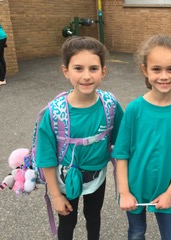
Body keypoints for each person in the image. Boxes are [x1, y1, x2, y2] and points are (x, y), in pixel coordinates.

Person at [112, 34, 171, 240]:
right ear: (145, 70)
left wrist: (170, 193)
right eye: (156, 69)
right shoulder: (134, 109)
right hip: (134, 190)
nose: (164, 76)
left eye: (170, 69)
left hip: (166, 192)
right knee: (136, 233)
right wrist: (124, 192)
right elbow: (121, 155)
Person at [36, 36, 124, 240]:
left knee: (93, 217)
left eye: (93, 68)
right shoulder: (54, 112)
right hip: (65, 178)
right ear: (66, 71)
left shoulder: (110, 105)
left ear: (103, 71)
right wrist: (56, 195)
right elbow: (46, 156)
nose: (86, 76)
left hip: (97, 176)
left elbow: (123, 142)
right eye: (78, 68)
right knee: (68, 221)